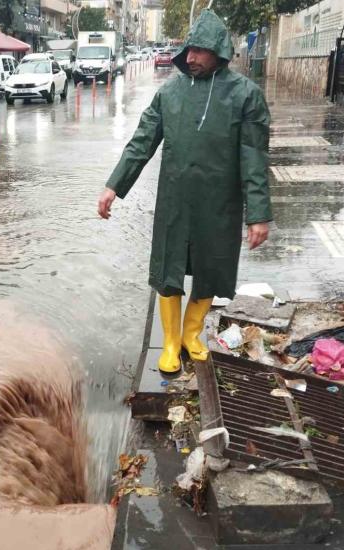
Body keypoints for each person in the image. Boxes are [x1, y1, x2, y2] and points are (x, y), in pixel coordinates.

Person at [97, 9, 272, 374]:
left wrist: (258, 215)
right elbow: (141, 142)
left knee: (210, 268)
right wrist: (113, 185)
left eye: (199, 50)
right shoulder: (170, 92)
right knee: (168, 269)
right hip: (175, 200)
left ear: (219, 52)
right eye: (188, 50)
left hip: (220, 203)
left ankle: (193, 335)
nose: (189, 57)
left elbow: (254, 158)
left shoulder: (246, 96)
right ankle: (171, 341)